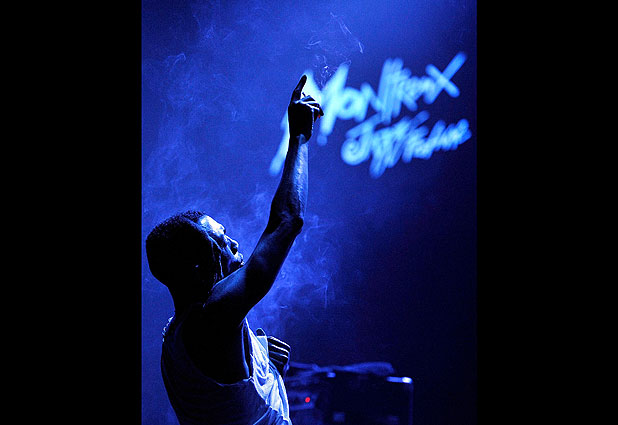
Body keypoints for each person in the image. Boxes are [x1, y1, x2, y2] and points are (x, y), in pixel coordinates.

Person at [145, 75, 323, 425]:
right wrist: (300, 136)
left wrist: (263, 365)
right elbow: (288, 220)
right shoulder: (210, 320)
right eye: (220, 240)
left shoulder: (181, 336)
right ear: (197, 265)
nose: (234, 244)